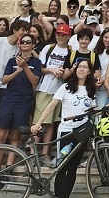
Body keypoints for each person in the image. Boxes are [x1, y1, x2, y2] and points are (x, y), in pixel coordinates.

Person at [31, 59, 97, 196]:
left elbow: (93, 109)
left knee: (73, 167)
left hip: (82, 132)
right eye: (79, 67)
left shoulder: (91, 89)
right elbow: (51, 105)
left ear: (89, 72)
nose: (81, 69)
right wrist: (39, 123)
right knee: (62, 166)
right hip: (66, 131)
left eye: (85, 67)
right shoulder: (66, 87)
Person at [0, 32, 42, 170]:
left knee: (16, 135)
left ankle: (9, 167)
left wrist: (25, 67)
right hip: (9, 99)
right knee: (2, 134)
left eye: (28, 42)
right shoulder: (12, 61)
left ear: (33, 45)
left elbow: (34, 82)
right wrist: (17, 71)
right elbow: (4, 80)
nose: (25, 44)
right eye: (23, 42)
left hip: (24, 100)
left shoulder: (36, 62)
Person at [33, 23, 73, 164]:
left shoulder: (71, 50)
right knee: (40, 119)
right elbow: (40, 68)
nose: (60, 37)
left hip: (60, 89)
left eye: (63, 35)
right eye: (58, 34)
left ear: (68, 36)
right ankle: (33, 152)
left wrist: (64, 73)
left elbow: (70, 70)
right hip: (45, 87)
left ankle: (44, 153)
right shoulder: (48, 48)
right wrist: (52, 70)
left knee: (51, 123)